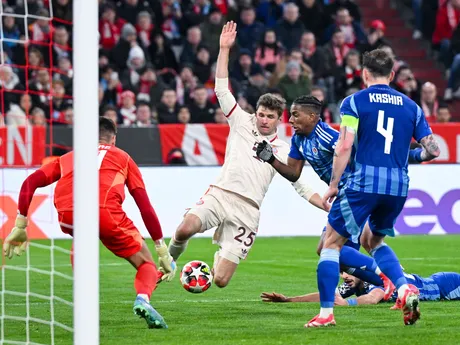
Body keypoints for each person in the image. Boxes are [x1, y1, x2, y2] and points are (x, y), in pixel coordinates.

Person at [166, 22, 326, 289]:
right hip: (221, 193)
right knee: (185, 228)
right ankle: (168, 262)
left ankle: (217, 259)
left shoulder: (283, 149)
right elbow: (220, 89)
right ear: (256, 111)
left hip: (247, 211)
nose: (264, 120)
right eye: (261, 114)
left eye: (270, 117)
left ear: (279, 119)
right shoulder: (241, 121)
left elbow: (301, 186)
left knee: (220, 281)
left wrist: (325, 204)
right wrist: (224, 49)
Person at [3, 117, 175, 329]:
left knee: (82, 236)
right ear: (113, 139)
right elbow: (145, 206)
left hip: (68, 214)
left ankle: (84, 300)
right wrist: (162, 249)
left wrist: (20, 225)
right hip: (106, 213)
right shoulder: (124, 157)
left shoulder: (69, 157)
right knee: (146, 264)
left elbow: (30, 182)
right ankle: (143, 299)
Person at [254, 94, 393, 291]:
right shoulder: (299, 139)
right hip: (344, 197)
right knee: (330, 252)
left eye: (295, 115)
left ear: (312, 116)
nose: (290, 120)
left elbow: (359, 155)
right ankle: (383, 282)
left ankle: (389, 277)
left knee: (333, 249)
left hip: (356, 193)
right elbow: (293, 173)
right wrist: (271, 159)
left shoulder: (329, 137)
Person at [261, 271, 460, 307]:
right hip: (440, 284)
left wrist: (348, 303)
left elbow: (373, 298)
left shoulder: (375, 281)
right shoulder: (355, 283)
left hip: (446, 287)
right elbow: (327, 295)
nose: (345, 277)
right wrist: (288, 300)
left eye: (348, 272)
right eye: (342, 273)